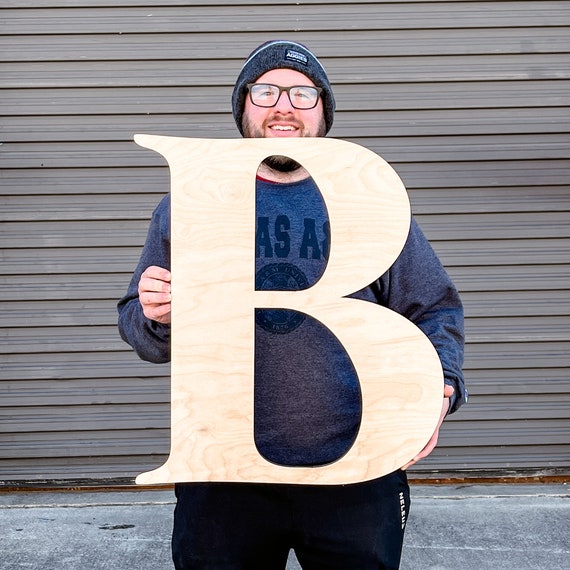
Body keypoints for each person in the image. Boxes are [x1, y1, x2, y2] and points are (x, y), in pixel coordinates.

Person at [118, 40, 466, 570]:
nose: (284, 105)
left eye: (303, 93)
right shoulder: (192, 203)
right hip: (222, 475)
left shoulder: (368, 204)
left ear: (324, 112)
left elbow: (435, 308)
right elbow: (139, 328)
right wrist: (155, 314)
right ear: (243, 109)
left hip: (356, 471)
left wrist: (438, 389)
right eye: (266, 91)